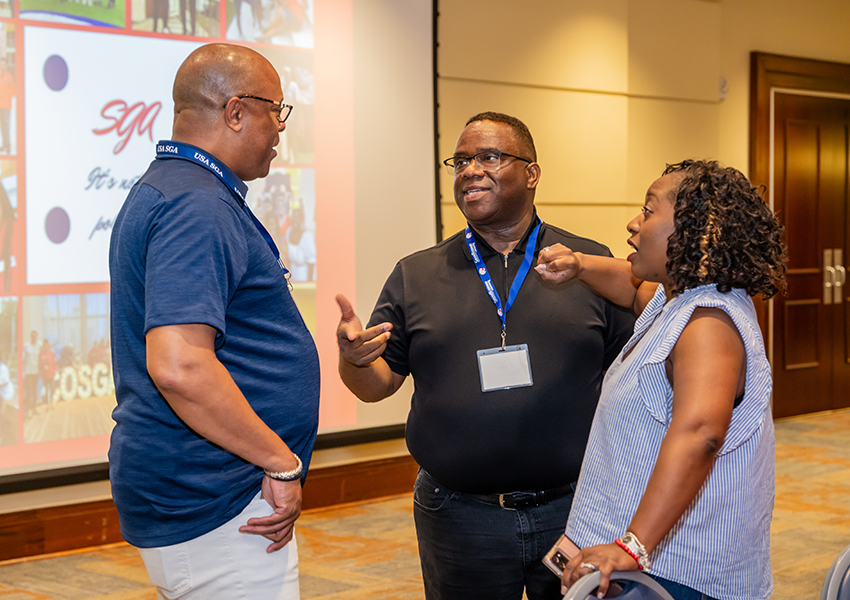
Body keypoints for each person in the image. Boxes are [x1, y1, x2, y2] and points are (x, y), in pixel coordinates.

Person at [336, 111, 635, 600]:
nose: (469, 170)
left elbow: (632, 377)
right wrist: (355, 359)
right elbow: (377, 387)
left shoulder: (588, 263)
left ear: (532, 172)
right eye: (460, 161)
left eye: (488, 157)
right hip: (458, 515)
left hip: (574, 509)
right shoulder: (417, 275)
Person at [108, 43, 317, 600]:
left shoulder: (172, 189)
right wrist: (280, 461)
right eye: (277, 111)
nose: (279, 129)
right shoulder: (196, 204)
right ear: (235, 111)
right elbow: (178, 365)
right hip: (219, 499)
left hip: (204, 491)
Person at [536, 160, 787, 600]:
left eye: (648, 211)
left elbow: (701, 433)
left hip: (678, 575)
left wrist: (632, 546)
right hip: (647, 563)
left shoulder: (708, 324)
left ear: (700, 232)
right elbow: (632, 288)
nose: (634, 223)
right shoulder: (680, 298)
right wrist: (578, 264)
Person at [22, 330, 38, 417]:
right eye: (32, 336)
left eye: (35, 336)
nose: (34, 337)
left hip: (36, 372)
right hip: (28, 372)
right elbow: (23, 359)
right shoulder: (26, 346)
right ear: (30, 336)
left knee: (34, 391)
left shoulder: (38, 346)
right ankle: (28, 411)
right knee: (29, 391)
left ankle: (34, 408)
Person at [38, 339, 56, 405]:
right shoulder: (41, 354)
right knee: (45, 388)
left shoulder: (51, 353)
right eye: (44, 345)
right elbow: (39, 364)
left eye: (46, 345)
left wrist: (54, 371)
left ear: (48, 345)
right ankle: (46, 401)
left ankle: (51, 400)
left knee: (52, 388)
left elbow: (54, 363)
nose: (45, 346)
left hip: (51, 374)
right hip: (44, 375)